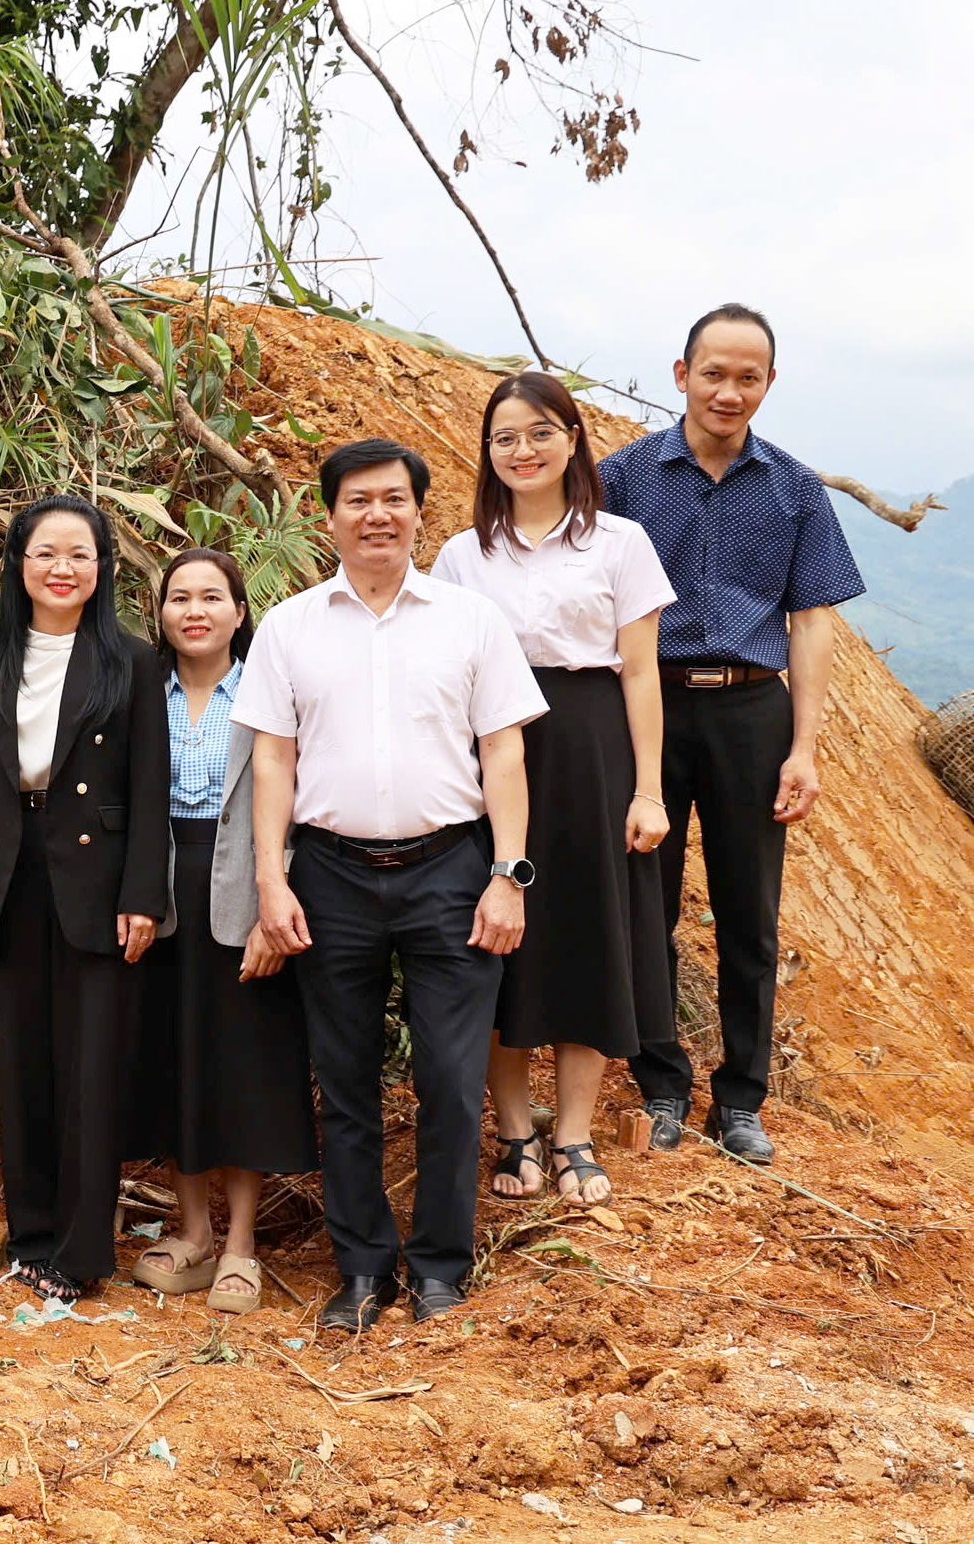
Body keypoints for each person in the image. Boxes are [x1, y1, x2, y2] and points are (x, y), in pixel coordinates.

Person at [236, 439, 546, 1331]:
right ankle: (364, 1270)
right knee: (346, 1084)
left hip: (452, 873)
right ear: (327, 516)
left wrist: (507, 877)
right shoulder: (292, 626)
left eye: (395, 500)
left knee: (451, 1082)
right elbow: (272, 762)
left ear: (420, 512)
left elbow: (505, 753)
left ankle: (442, 1267)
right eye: (358, 500)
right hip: (329, 877)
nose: (377, 515)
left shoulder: (470, 620)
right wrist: (271, 878)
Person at [600, 305, 863, 1166]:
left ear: (769, 386)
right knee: (650, 903)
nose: (729, 390)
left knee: (751, 915)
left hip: (755, 710)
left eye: (748, 377)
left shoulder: (794, 488)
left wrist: (805, 747)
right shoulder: (625, 479)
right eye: (714, 372)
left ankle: (742, 1099)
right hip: (651, 707)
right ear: (682, 374)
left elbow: (812, 621)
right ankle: (662, 1084)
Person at [433, 374, 677, 1206]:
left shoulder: (620, 542)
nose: (523, 450)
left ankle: (572, 1132)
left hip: (592, 749)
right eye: (505, 438)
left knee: (585, 937)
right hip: (493, 752)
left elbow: (641, 673)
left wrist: (648, 791)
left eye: (540, 432)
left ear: (572, 439)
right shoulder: (463, 554)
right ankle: (514, 1131)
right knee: (500, 946)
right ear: (488, 452)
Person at [0, 497, 167, 1301]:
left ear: (102, 567)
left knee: (90, 1070)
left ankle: (80, 1255)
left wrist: (144, 894)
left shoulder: (133, 661)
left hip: (98, 883)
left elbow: (150, 787)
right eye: (45, 554)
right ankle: (31, 1234)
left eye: (79, 553)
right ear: (20, 565)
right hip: (11, 872)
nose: (62, 568)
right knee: (26, 1062)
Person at [130, 547, 316, 1315]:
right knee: (180, 1061)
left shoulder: (271, 691)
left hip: (250, 888)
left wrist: (279, 903)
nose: (195, 611)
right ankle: (194, 1233)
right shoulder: (145, 693)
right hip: (161, 894)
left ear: (242, 613)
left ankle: (242, 1243)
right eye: (180, 598)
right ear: (162, 614)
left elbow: (305, 798)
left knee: (245, 1065)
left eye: (213, 597)